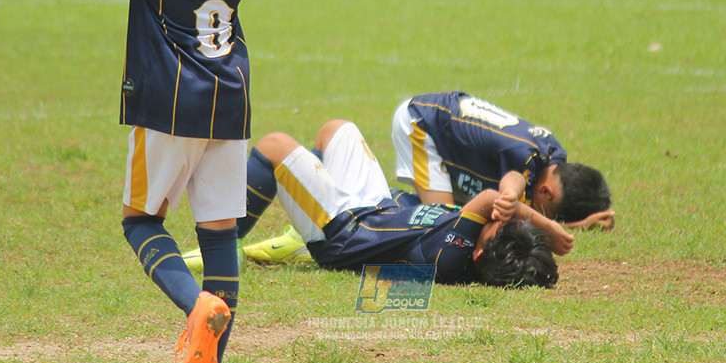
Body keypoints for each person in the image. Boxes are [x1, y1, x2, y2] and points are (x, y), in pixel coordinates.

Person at [73, 0, 262, 363]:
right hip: (230, 102)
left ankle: (195, 305)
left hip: (170, 104)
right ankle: (211, 360)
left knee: (140, 221)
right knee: (220, 232)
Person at [190, 119, 570, 287]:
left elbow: (491, 198)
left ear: (478, 252)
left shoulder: (453, 261)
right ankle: (298, 228)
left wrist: (546, 224)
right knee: (337, 129)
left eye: (499, 224)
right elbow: (498, 201)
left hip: (342, 232)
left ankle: (223, 245)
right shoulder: (471, 250)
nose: (500, 217)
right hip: (376, 208)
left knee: (273, 145)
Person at [392, 91, 614, 230]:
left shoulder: (554, 156)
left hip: (443, 122)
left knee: (471, 213)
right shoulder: (521, 158)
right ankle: (382, 209)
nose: (540, 213)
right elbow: (513, 192)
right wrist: (570, 227)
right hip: (421, 123)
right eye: (549, 212)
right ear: (547, 192)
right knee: (445, 225)